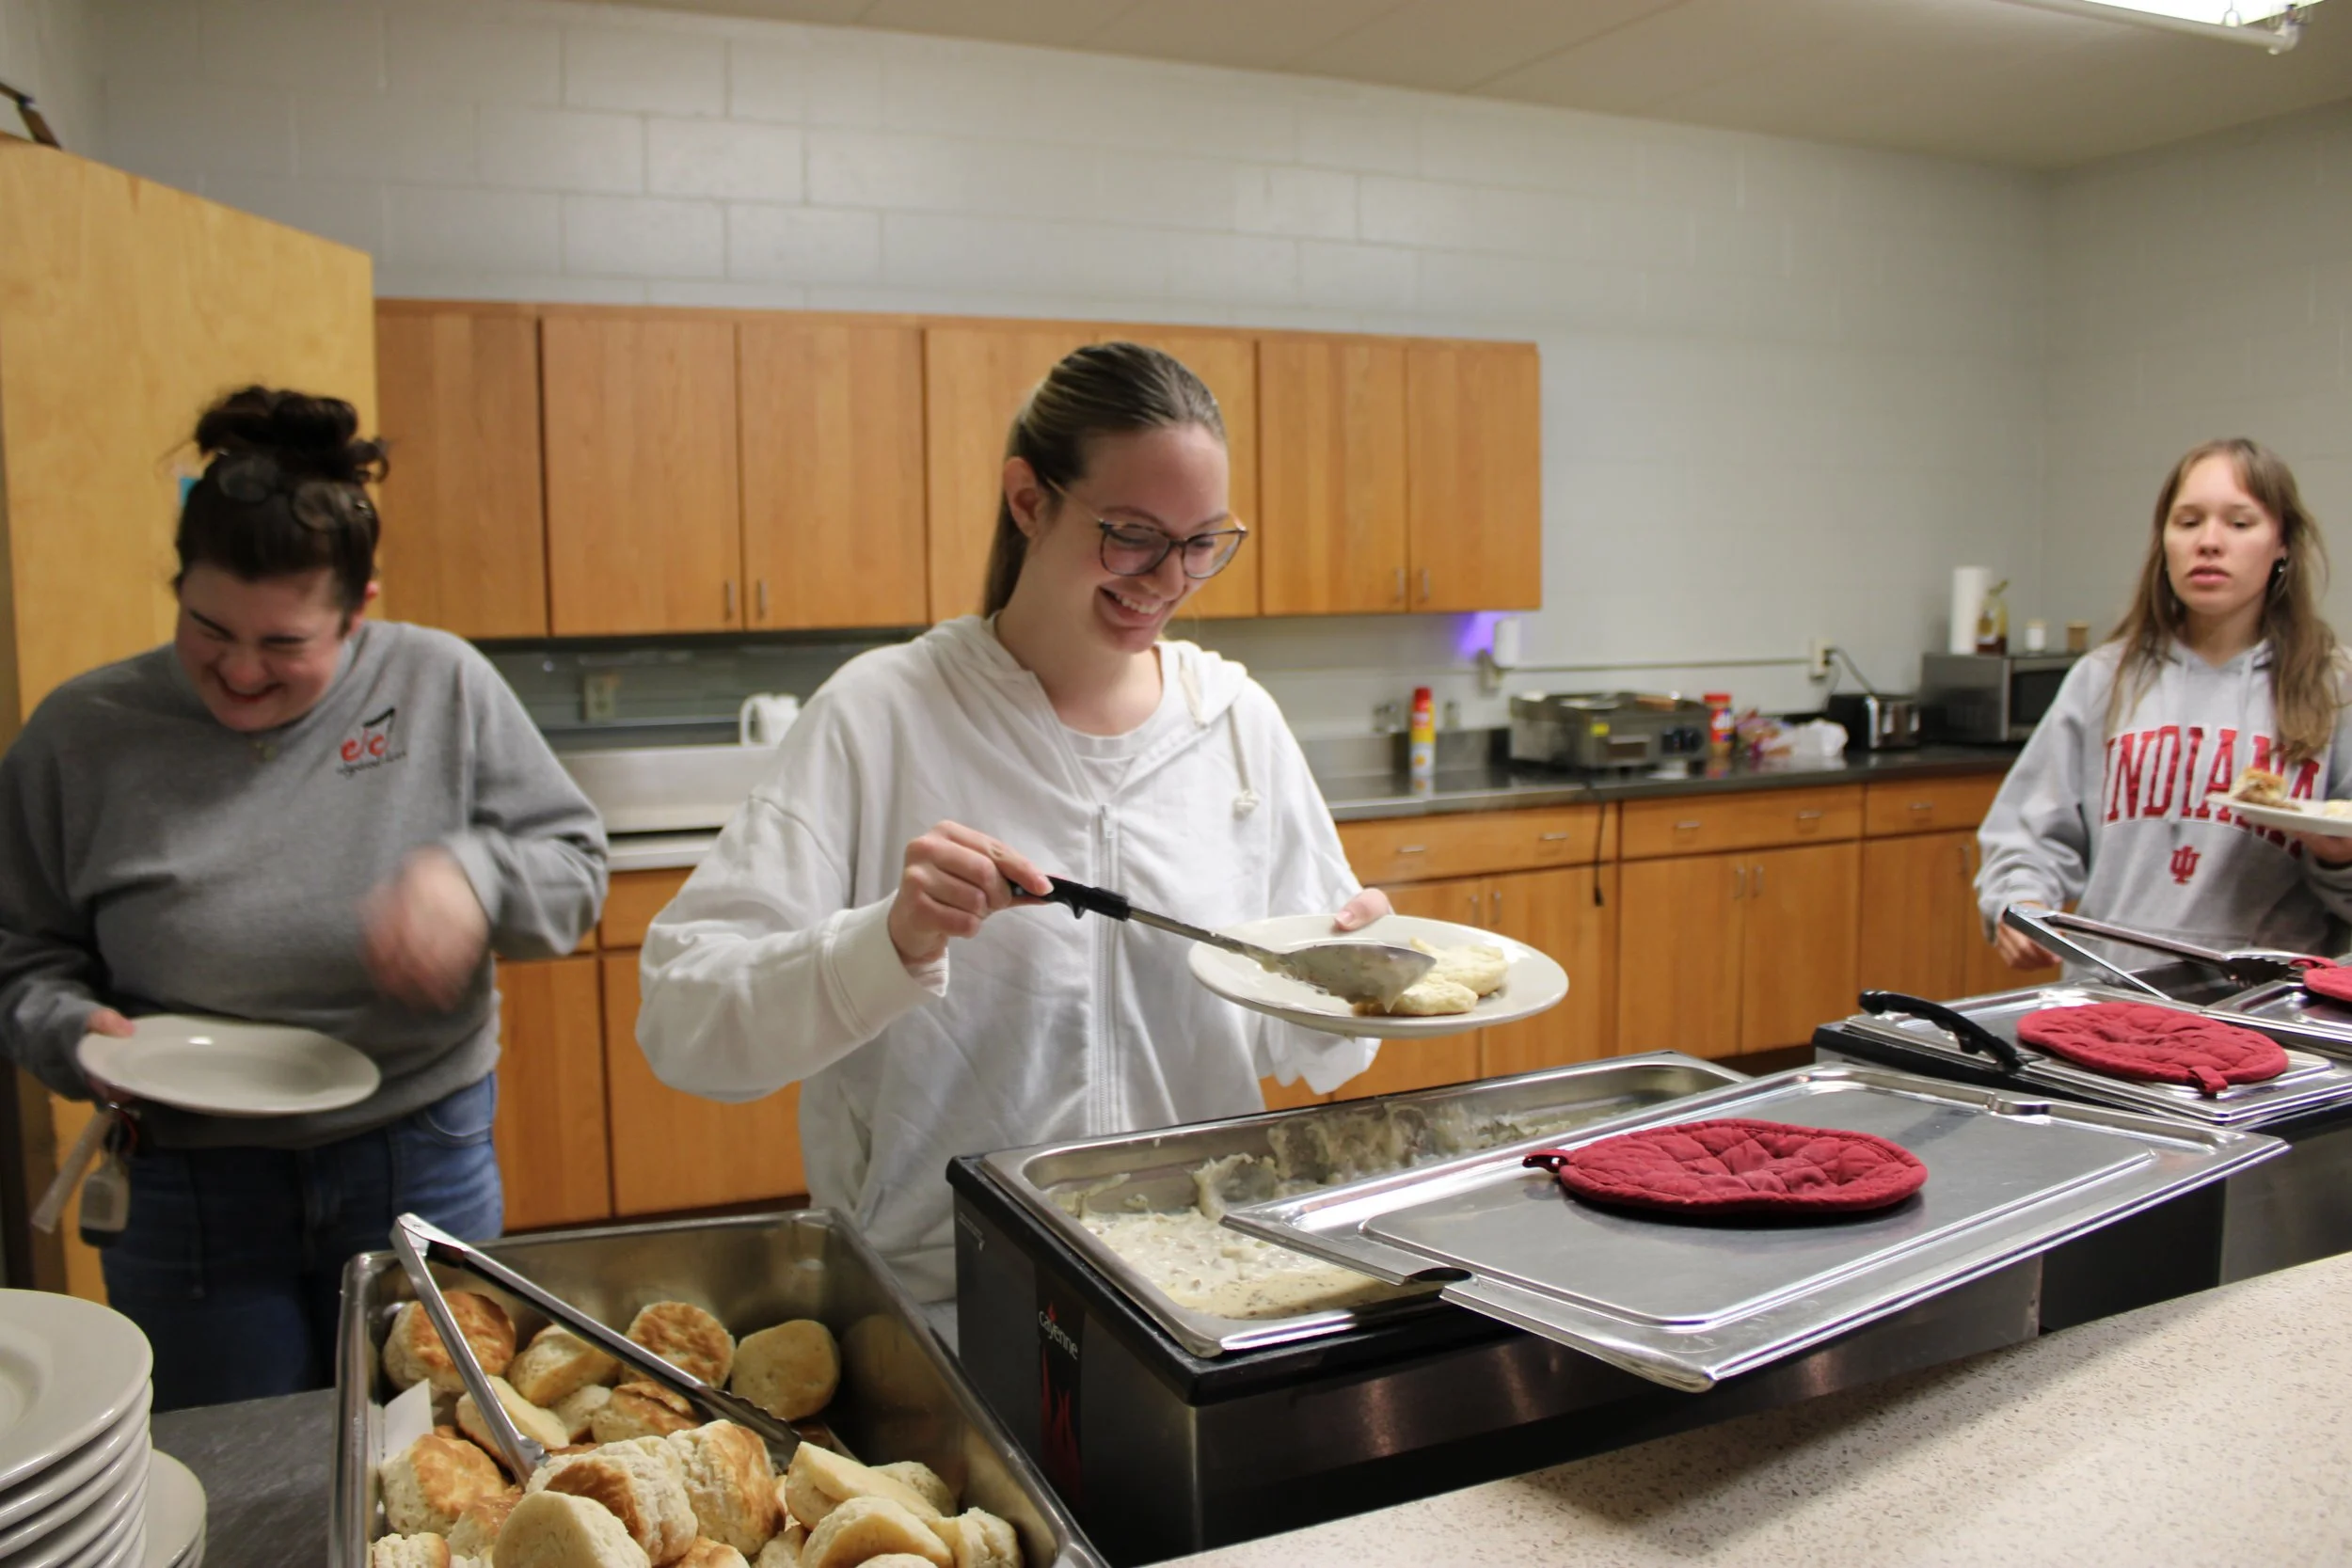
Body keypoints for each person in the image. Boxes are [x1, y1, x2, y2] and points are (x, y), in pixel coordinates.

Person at [637, 342, 1388, 1305]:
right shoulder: (882, 715)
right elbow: (687, 1024)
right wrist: (886, 943)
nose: (1169, 577)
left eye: (1202, 540)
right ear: (1029, 501)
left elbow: (1309, 1052)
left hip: (1200, 1287)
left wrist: (1351, 978)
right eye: (1132, 533)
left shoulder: (1235, 724)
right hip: (949, 1298)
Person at [0, 388, 607, 1408]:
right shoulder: (80, 731)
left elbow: (575, 870)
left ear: (361, 604)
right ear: (179, 584)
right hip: (187, 1175)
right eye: (208, 627)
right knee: (236, 1465)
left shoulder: (438, 683)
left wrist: (473, 877)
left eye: (285, 646)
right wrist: (65, 1025)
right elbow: (20, 948)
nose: (238, 671)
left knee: (438, 1445)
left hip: (419, 1146)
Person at [1978, 437, 2352, 971]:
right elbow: (2029, 832)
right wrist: (2021, 904)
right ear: (2164, 541)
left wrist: (2339, 859)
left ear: (2282, 543)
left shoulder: (2332, 686)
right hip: (2109, 993)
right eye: (2189, 521)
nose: (2209, 542)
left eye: (2239, 523)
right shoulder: (2105, 679)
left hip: (2263, 1006)